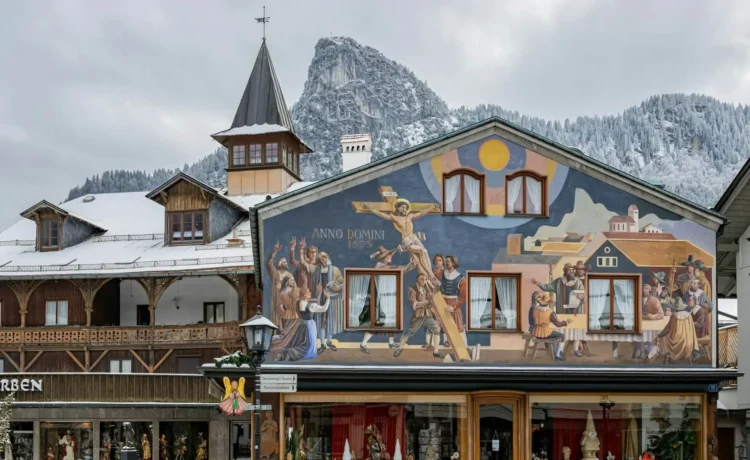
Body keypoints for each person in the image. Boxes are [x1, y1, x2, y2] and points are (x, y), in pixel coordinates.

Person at [361, 199, 440, 289]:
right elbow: (380, 214)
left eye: (405, 207)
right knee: (421, 251)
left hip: (414, 237)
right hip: (407, 240)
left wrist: (431, 208)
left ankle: (431, 275)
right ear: (397, 208)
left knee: (425, 251)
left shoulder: (410, 217)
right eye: (402, 207)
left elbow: (421, 213)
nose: (404, 209)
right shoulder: (395, 218)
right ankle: (431, 275)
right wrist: (369, 207)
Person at [360, 246, 412, 353]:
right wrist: (410, 264)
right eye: (389, 256)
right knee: (377, 322)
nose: (391, 257)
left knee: (391, 320)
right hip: (380, 298)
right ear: (383, 258)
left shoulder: (384, 266)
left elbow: (401, 271)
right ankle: (363, 344)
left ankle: (391, 342)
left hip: (387, 297)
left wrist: (410, 265)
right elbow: (399, 269)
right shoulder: (381, 266)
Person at [269, 286, 331, 361]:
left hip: (301, 325)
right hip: (309, 326)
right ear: (305, 295)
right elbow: (324, 309)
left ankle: (287, 353)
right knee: (307, 344)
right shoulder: (311, 306)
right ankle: (291, 353)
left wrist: (319, 294)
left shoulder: (299, 302)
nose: (310, 293)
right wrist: (328, 298)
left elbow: (313, 300)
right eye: (308, 292)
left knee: (301, 342)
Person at [394, 273, 442, 359]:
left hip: (427, 314)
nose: (424, 281)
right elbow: (415, 305)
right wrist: (428, 301)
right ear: (417, 280)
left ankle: (436, 352)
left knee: (437, 329)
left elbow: (437, 292)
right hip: (418, 315)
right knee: (408, 332)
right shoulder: (412, 289)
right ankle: (399, 348)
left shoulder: (427, 288)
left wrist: (432, 297)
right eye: (421, 279)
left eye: (425, 279)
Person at [307, 252, 344, 353]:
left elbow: (342, 283)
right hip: (320, 299)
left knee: (331, 320)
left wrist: (338, 288)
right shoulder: (316, 270)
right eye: (323, 257)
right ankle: (323, 343)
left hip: (331, 299)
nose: (325, 258)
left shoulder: (335, 270)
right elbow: (312, 284)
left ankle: (329, 341)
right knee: (320, 322)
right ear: (320, 259)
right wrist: (317, 290)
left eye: (326, 256)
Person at [648, 297, 700, 362]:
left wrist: (659, 335)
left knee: (662, 338)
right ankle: (659, 355)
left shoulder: (674, 316)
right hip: (688, 343)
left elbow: (667, 330)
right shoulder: (689, 315)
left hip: (676, 344)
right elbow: (692, 330)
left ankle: (659, 355)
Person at [529, 291, 572, 361]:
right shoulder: (550, 312)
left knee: (554, 335)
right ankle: (558, 354)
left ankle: (555, 351)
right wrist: (566, 322)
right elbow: (558, 324)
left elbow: (531, 321)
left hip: (536, 333)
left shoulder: (534, 309)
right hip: (545, 333)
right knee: (562, 336)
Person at [441, 255, 468, 348]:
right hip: (443, 302)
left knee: (458, 325)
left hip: (454, 303)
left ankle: (464, 347)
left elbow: (463, 297)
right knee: (443, 323)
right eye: (445, 261)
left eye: (448, 261)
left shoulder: (461, 278)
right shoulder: (442, 273)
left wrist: (453, 307)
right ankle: (446, 342)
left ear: (453, 263)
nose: (446, 263)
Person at [268, 241, 294, 328]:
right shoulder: (275, 273)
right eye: (284, 262)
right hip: (277, 297)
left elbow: (293, 287)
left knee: (286, 318)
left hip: (286, 298)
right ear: (279, 263)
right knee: (277, 320)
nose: (286, 263)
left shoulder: (289, 275)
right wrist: (274, 251)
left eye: (286, 262)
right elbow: (269, 263)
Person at [425, 254, 446, 350]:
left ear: (443, 261)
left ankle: (445, 341)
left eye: (440, 260)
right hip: (432, 298)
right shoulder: (432, 271)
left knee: (443, 320)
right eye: (436, 260)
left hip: (442, 298)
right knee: (431, 320)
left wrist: (436, 281)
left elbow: (444, 285)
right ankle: (430, 343)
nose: (438, 262)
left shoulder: (445, 273)